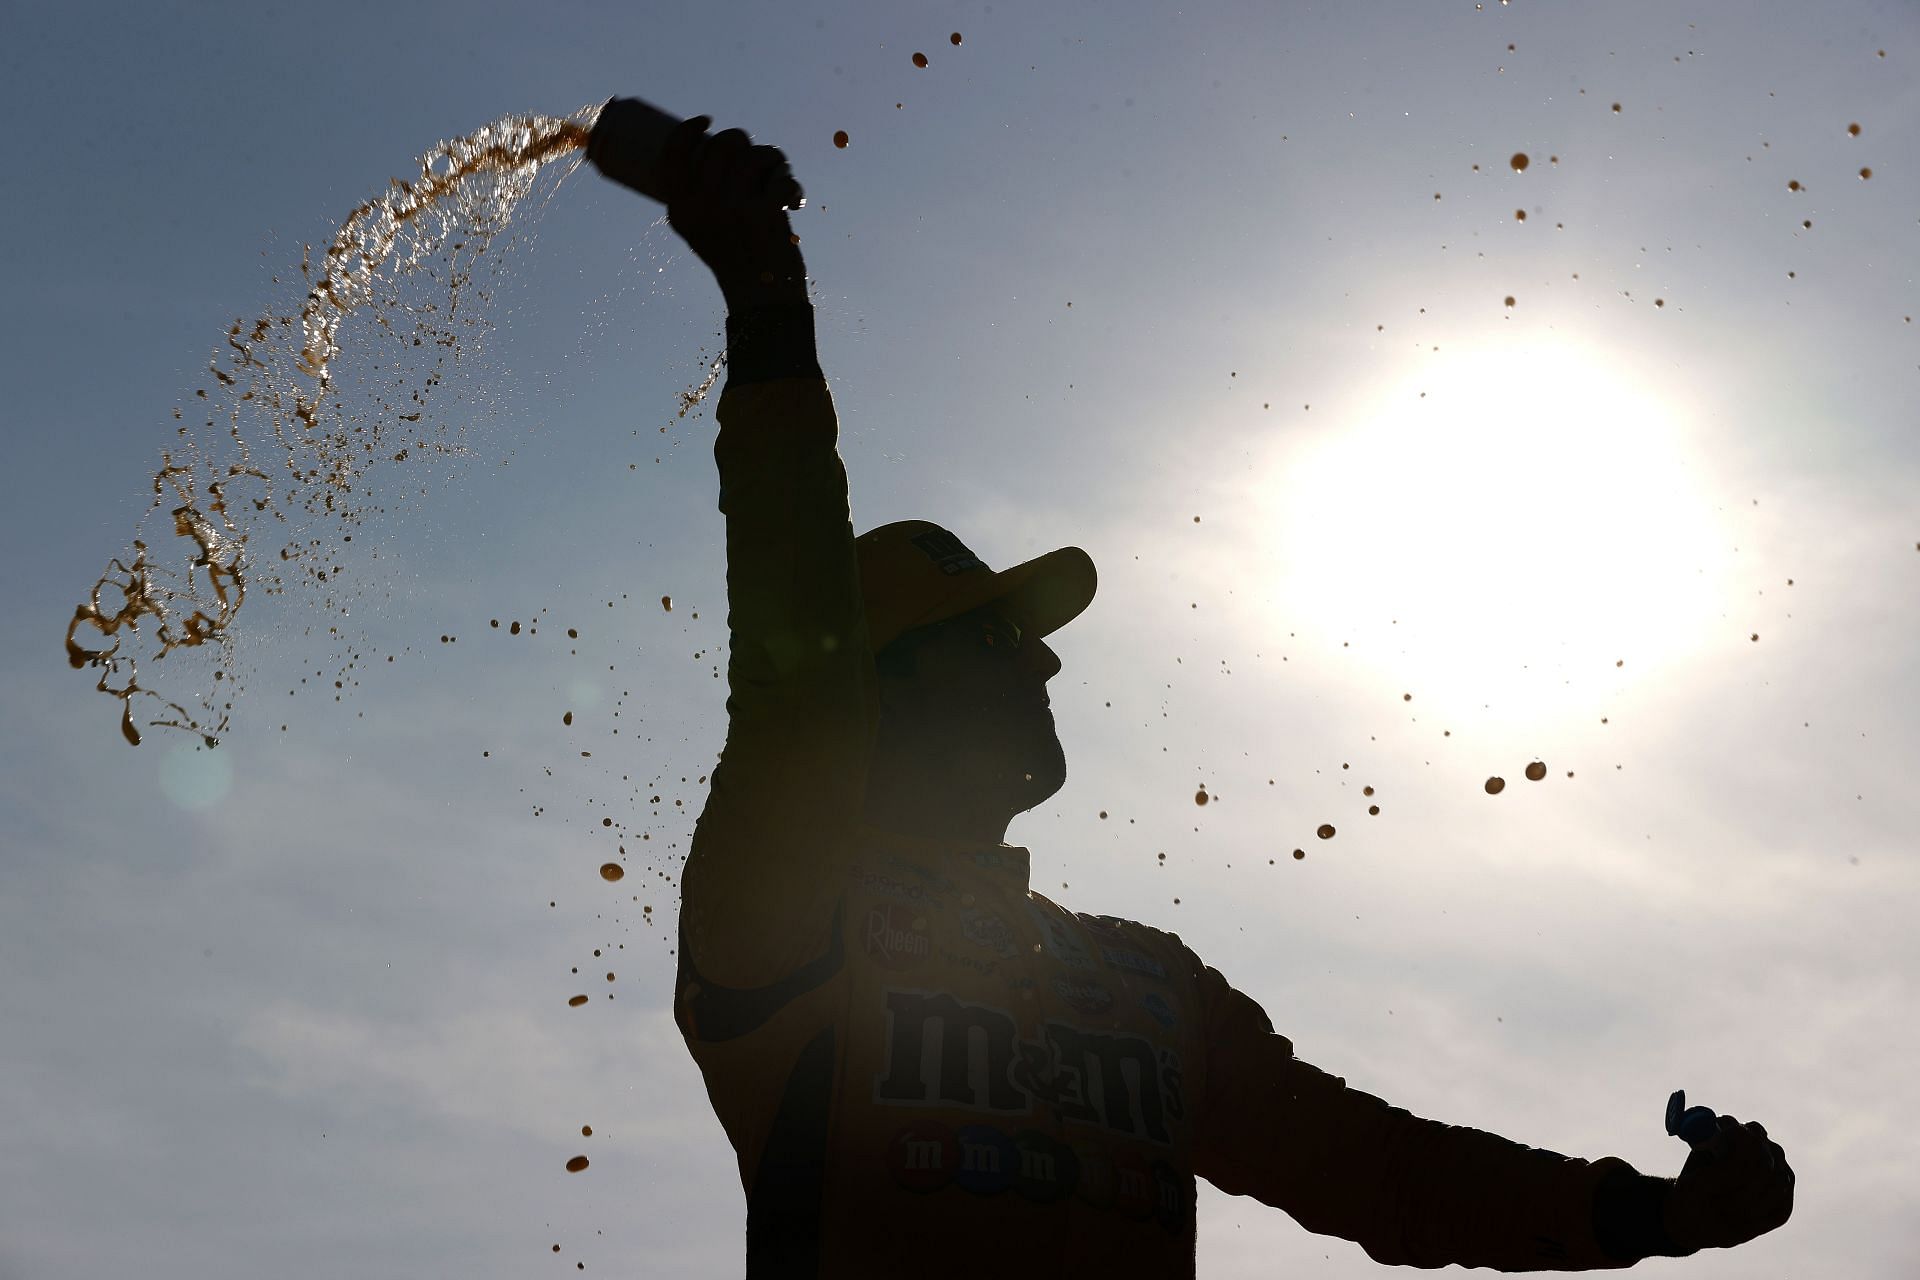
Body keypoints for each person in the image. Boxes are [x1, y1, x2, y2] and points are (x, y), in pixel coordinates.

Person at [641, 116, 1794, 1276]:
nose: (1042, 664)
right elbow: (793, 652)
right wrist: (766, 293)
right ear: (870, 689)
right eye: (990, 637)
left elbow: (1384, 1170)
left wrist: (1656, 1217)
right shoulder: (790, 914)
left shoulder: (1148, 984)